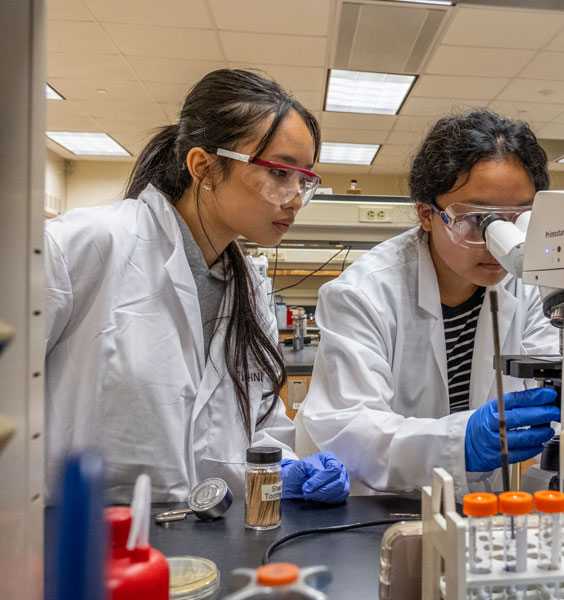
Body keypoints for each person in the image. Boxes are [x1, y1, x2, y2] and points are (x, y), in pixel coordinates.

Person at [44, 69, 350, 504]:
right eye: (280, 173)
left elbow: (253, 427)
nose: (296, 197)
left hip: (203, 547)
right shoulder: (84, 246)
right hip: (80, 547)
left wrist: (284, 466)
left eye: (304, 180)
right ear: (203, 167)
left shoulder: (247, 292)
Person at [302, 110, 560, 497]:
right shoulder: (364, 293)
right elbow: (351, 428)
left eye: (520, 219)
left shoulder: (530, 288)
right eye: (479, 220)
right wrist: (462, 443)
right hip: (377, 513)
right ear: (427, 214)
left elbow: (556, 385)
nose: (502, 243)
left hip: (482, 510)